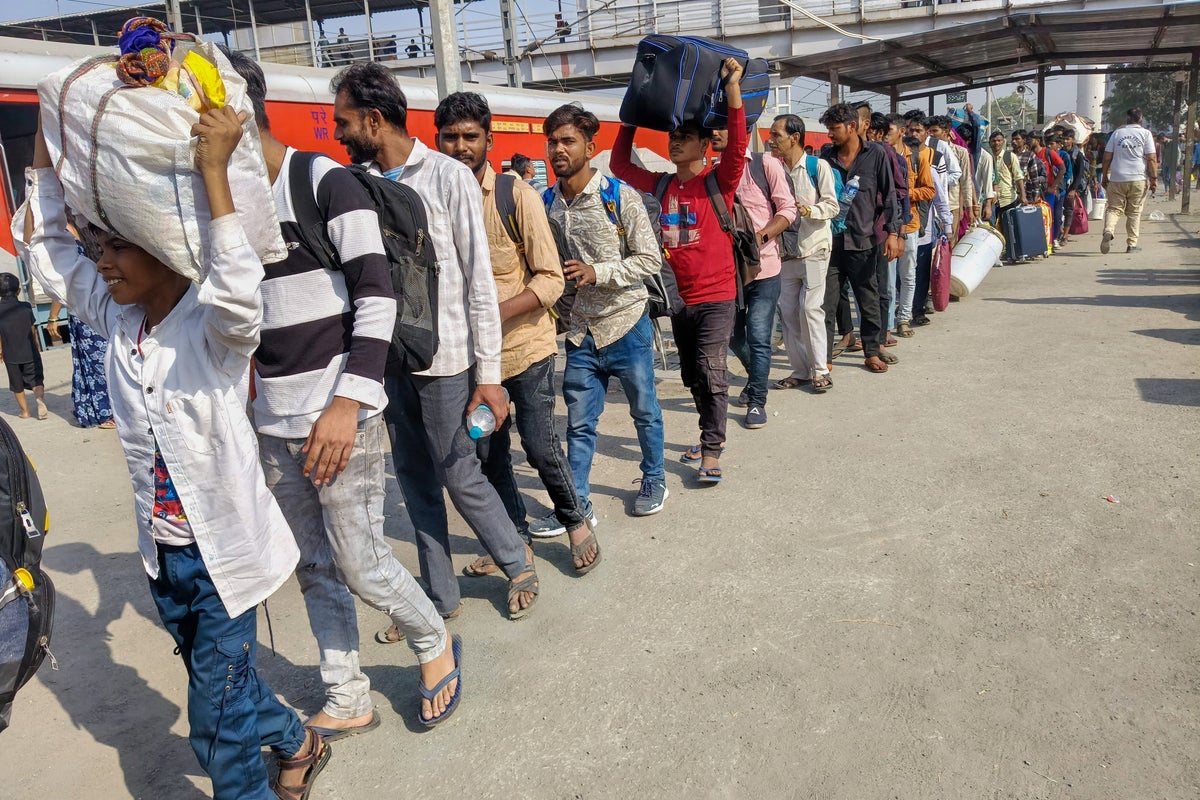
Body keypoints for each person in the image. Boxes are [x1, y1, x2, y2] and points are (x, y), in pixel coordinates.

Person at [19, 109, 329, 800]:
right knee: (224, 684)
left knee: (215, 724)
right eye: (99, 246)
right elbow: (49, 252)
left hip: (223, 560)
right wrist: (45, 146)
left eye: (117, 247)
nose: (101, 261)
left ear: (164, 248)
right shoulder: (117, 319)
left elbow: (239, 289)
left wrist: (214, 171)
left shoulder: (213, 331)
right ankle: (297, 739)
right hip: (164, 557)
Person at [224, 50, 461, 738]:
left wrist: (347, 404)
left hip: (338, 414)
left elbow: (377, 297)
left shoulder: (321, 181)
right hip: (275, 419)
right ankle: (346, 692)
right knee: (315, 567)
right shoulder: (225, 206)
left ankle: (433, 640)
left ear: (237, 109)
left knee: (362, 563)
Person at [330, 62, 539, 620]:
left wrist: (488, 376)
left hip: (446, 360)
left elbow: (478, 283)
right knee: (414, 479)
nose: (339, 133)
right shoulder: (355, 185)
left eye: (345, 122)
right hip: (387, 359)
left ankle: (516, 561)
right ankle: (440, 598)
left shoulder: (448, 177)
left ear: (375, 120)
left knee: (458, 471)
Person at [431, 91, 599, 576]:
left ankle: (575, 521)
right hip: (469, 361)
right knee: (489, 452)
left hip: (525, 348)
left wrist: (491, 315)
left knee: (540, 445)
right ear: (437, 141)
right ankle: (516, 540)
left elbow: (551, 278)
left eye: (471, 136)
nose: (461, 146)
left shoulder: (515, 195)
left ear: (488, 140)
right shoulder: (431, 200)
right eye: (450, 137)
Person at [613, 58, 744, 482]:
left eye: (684, 137)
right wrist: (632, 118)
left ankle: (712, 449)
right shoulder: (663, 184)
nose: (674, 142)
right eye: (673, 136)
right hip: (678, 299)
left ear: (704, 145)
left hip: (718, 294)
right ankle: (707, 434)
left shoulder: (719, 182)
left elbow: (738, 146)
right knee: (692, 374)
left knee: (711, 368)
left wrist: (733, 88)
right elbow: (620, 167)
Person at [540, 102, 668, 516]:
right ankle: (577, 503)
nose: (559, 149)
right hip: (581, 331)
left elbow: (650, 260)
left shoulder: (618, 196)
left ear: (590, 147)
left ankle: (655, 478)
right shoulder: (546, 203)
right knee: (578, 424)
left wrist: (598, 271)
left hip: (627, 323)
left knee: (644, 412)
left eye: (568, 141)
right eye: (553, 142)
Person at [710, 125, 797, 426]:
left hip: (765, 268)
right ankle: (756, 378)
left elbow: (788, 210)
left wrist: (758, 239)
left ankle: (757, 401)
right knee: (733, 337)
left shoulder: (765, 165)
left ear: (741, 132)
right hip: (729, 272)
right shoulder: (713, 173)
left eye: (722, 126)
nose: (714, 133)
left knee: (759, 338)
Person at [819, 102, 901, 373]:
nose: (830, 134)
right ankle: (824, 358)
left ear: (852, 126)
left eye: (834, 128)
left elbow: (890, 195)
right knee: (826, 303)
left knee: (868, 300)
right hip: (831, 244)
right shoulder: (826, 157)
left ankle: (872, 351)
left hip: (864, 241)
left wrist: (893, 233)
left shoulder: (876, 154)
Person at [766, 114, 838, 392]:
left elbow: (832, 205)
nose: (771, 140)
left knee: (810, 309)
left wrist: (809, 210)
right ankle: (800, 370)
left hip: (814, 247)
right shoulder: (773, 168)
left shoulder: (817, 167)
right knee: (788, 311)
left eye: (776, 135)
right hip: (786, 252)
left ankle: (820, 370)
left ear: (795, 138)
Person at [893, 131, 935, 339]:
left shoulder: (917, 159)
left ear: (899, 132)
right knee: (887, 279)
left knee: (908, 275)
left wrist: (906, 193)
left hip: (909, 225)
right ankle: (888, 321)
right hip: (885, 226)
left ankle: (903, 319)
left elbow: (929, 191)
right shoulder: (880, 156)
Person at [1101, 108, 1157, 255]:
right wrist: (1154, 179)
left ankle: (1108, 230)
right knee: (1134, 213)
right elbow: (1151, 158)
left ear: (1127, 119)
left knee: (1114, 209)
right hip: (1138, 178)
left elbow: (1107, 157)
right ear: (1141, 119)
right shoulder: (1146, 134)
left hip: (1117, 178)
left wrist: (1105, 176)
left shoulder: (1117, 133)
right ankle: (1131, 245)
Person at [0, 273, 47, 420]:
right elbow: (32, 329)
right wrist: (36, 344)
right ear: (19, 291)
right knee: (36, 380)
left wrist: (0, 350)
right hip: (29, 351)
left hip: (10, 354)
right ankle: (39, 400)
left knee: (17, 384)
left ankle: (25, 412)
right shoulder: (26, 306)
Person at [989, 130, 1026, 226]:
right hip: (991, 201)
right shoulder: (987, 158)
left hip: (1008, 199)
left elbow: (1018, 177)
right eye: (993, 141)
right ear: (990, 143)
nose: (996, 143)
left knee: (1009, 228)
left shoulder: (1010, 156)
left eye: (999, 140)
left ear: (1003, 142)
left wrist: (1023, 195)